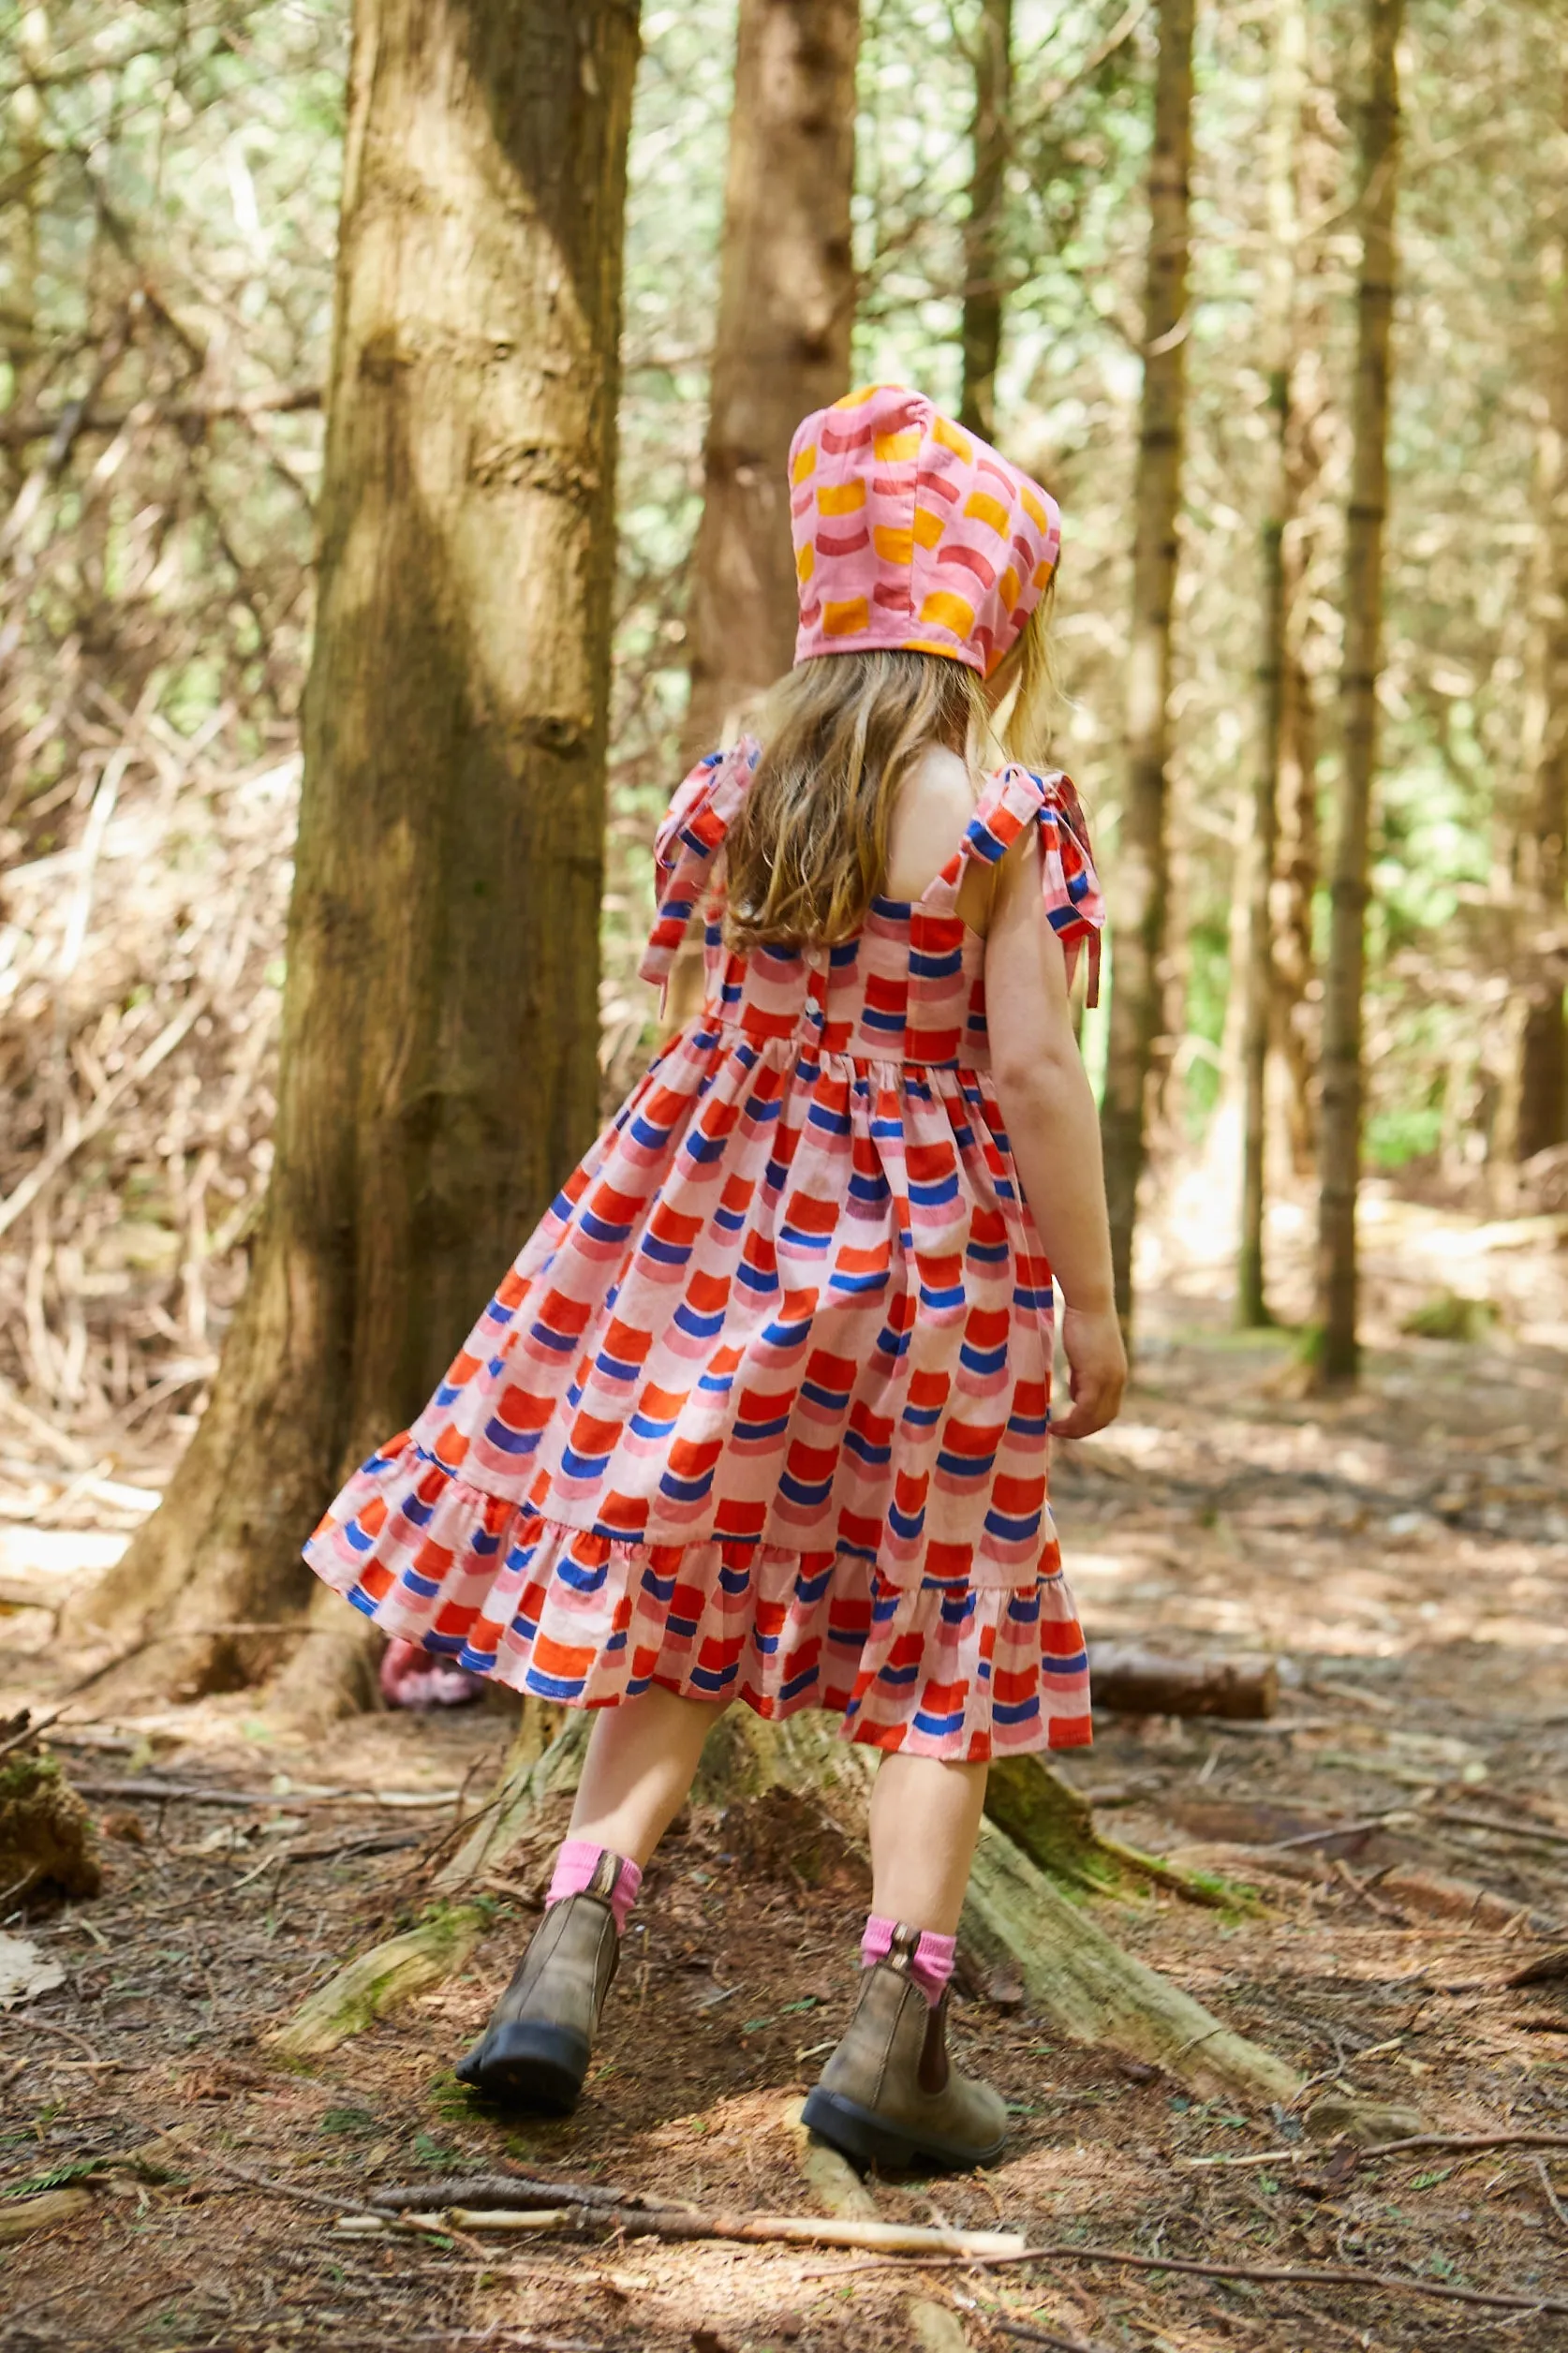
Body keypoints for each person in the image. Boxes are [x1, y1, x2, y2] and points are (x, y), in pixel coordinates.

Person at [303, 382, 1127, 2172]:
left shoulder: (732, 795)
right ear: (987, 622)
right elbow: (1034, 1077)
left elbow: (699, 1024)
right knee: (949, 1629)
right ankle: (891, 2039)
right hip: (942, 1271)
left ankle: (563, 1956)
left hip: (723, 1240)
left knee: (675, 1596)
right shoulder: (998, 815)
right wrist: (1094, 1298)